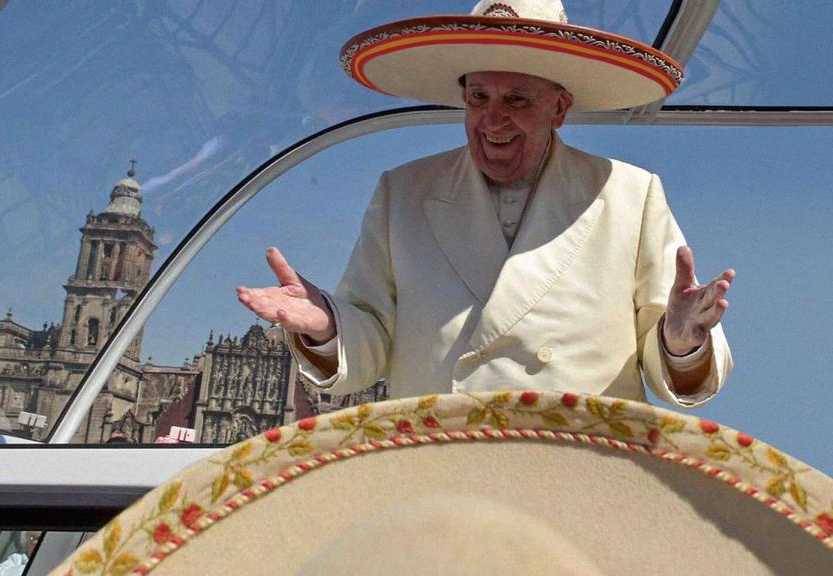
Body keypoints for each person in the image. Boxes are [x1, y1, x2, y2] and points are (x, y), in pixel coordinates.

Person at [236, 0, 734, 408]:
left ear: (559, 108)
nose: (492, 120)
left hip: (582, 470)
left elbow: (673, 356)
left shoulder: (631, 193)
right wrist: (326, 325)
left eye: (516, 100)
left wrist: (680, 338)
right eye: (478, 98)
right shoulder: (403, 192)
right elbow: (369, 344)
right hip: (445, 473)